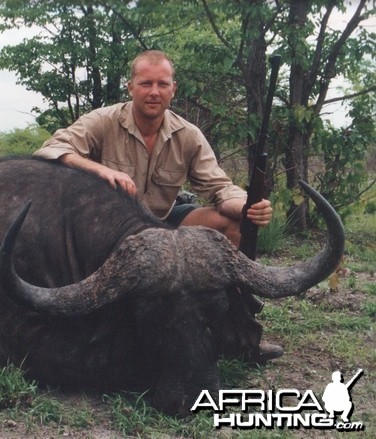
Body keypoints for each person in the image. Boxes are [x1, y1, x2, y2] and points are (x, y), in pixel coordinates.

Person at [33, 49, 282, 362]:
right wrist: (102, 170)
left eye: (162, 84)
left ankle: (237, 330)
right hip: (110, 235)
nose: (154, 92)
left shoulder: (188, 135)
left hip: (164, 227)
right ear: (131, 87)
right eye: (145, 83)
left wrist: (247, 207)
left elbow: (219, 187)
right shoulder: (103, 121)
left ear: (173, 89)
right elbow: (49, 150)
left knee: (234, 225)